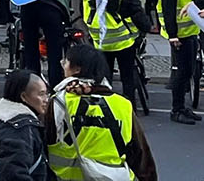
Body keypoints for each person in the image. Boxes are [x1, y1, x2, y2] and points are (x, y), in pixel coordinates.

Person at [48, 43, 158, 181]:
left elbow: (45, 140)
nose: (63, 64)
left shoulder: (59, 101)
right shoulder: (123, 104)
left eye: (66, 61)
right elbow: (140, 152)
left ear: (76, 69)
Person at [79, 0, 153, 113]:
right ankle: (128, 109)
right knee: (127, 76)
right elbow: (138, 16)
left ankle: (106, 109)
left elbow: (83, 12)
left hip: (100, 41)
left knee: (104, 77)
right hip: (124, 41)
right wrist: (146, 27)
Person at [155, 0, 204, 124]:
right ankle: (176, 109)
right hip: (179, 36)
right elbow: (168, 11)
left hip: (191, 32)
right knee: (181, 73)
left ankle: (183, 107)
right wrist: (172, 35)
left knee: (189, 71)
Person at [0, 69, 51, 181]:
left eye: (46, 94)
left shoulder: (7, 119)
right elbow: (13, 174)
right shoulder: (20, 131)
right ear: (24, 97)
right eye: (41, 94)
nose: (46, 100)